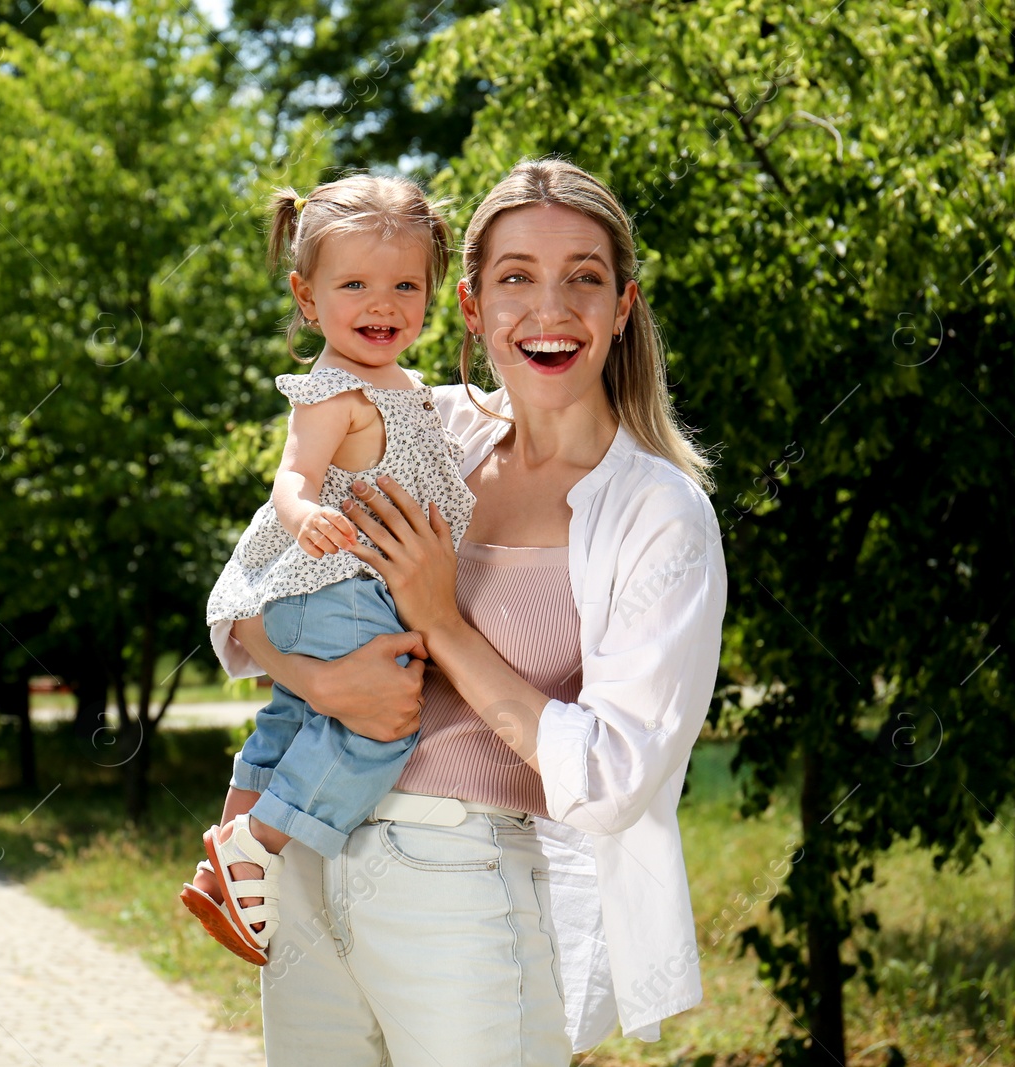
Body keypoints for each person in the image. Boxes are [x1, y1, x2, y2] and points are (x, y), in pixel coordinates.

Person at [209, 157, 728, 1065]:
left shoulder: (658, 512)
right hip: (311, 860)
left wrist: (441, 623)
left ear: (625, 305)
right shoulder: (417, 428)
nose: (551, 309)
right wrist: (319, 680)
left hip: (460, 878)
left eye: (585, 279)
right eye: (516, 276)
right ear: (470, 306)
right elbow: (248, 592)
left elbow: (613, 776)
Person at [181, 174, 473, 967]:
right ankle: (261, 843)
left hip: (328, 595)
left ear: (432, 291)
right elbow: (291, 479)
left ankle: (218, 864)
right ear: (307, 298)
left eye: (404, 285)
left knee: (289, 719)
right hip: (335, 584)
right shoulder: (334, 391)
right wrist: (306, 514)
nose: (382, 304)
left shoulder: (409, 388)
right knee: (380, 724)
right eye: (355, 285)